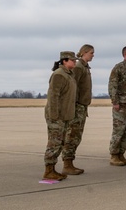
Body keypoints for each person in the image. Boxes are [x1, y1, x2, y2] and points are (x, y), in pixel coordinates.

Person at [43, 51, 77, 181]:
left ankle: (52, 169)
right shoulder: (59, 75)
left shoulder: (69, 75)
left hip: (65, 115)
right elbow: (53, 97)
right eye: (72, 60)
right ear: (64, 61)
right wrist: (54, 116)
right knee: (54, 143)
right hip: (57, 116)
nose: (74, 62)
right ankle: (48, 170)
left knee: (60, 142)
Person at [60, 44, 94, 175]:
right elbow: (73, 86)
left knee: (76, 136)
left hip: (82, 106)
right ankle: (67, 164)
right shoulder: (79, 67)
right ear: (84, 52)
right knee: (72, 135)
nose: (93, 55)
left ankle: (69, 162)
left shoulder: (85, 67)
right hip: (77, 106)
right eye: (91, 52)